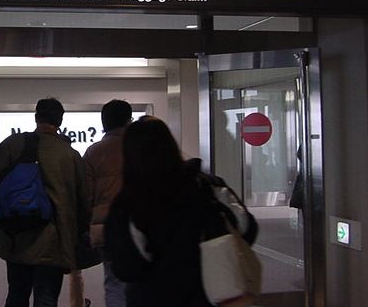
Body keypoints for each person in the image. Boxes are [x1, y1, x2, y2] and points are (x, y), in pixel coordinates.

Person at [104, 116, 256, 307]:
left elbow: (128, 268)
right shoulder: (207, 186)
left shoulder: (127, 204)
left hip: (152, 298)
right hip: (211, 295)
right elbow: (247, 228)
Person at [0, 98, 90, 307]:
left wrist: (13, 191)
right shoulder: (70, 154)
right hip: (52, 240)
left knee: (17, 293)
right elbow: (84, 201)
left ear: (36, 117)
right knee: (46, 297)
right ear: (60, 121)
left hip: (15, 231)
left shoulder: (14, 143)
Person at [83, 99, 132, 307]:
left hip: (107, 228)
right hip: (138, 223)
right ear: (129, 121)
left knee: (114, 282)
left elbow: (86, 195)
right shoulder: (139, 148)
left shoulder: (94, 152)